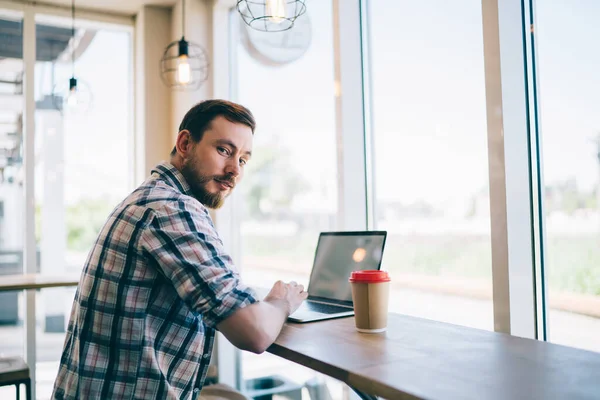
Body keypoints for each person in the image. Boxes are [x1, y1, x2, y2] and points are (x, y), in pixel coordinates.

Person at [52, 99, 308, 399]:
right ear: (185, 143)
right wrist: (282, 301)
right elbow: (254, 334)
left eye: (243, 160)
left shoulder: (149, 197)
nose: (234, 170)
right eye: (224, 150)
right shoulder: (171, 209)